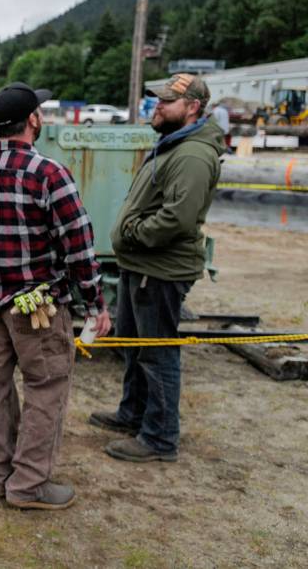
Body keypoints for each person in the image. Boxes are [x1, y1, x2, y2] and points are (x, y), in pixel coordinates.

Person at [0, 82, 111, 511]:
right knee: (46, 387)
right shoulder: (50, 174)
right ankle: (28, 486)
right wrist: (96, 304)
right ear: (32, 120)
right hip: (37, 307)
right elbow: (79, 247)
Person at [91, 74, 225, 463]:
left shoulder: (192, 155)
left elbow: (178, 219)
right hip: (142, 265)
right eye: (156, 100)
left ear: (192, 108)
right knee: (134, 347)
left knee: (157, 353)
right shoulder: (176, 144)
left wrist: (133, 233)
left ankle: (160, 438)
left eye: (166, 102)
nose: (157, 107)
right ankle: (132, 414)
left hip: (161, 270)